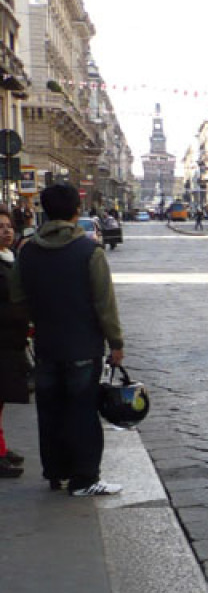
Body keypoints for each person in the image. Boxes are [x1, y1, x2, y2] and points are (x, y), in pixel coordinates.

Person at [9, 184, 124, 496]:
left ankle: (56, 473)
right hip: (83, 347)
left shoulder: (27, 250)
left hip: (46, 346)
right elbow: (104, 304)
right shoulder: (89, 252)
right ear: (76, 211)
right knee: (83, 412)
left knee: (50, 412)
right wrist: (116, 343)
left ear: (46, 211)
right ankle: (85, 478)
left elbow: (18, 299)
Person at [0, 207, 28, 478]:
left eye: (8, 226)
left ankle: (1, 447)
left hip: (10, 341)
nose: (6, 230)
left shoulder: (12, 257)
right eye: (0, 227)